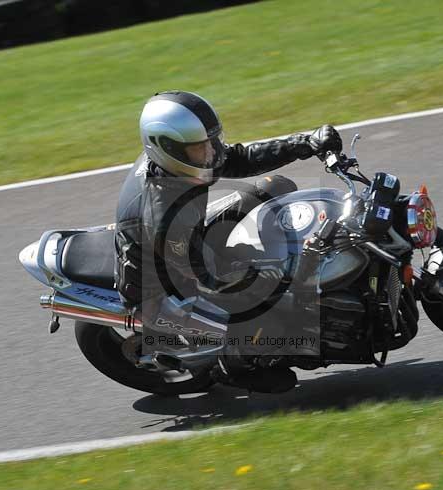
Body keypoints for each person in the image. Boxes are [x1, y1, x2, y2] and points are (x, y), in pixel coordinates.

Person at [114, 90, 341, 387]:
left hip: (190, 238)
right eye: (201, 148)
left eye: (212, 142)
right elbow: (201, 273)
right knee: (264, 311)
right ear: (168, 149)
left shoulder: (182, 161)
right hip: (161, 282)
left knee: (275, 187)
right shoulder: (163, 215)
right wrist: (266, 273)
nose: (211, 154)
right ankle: (230, 366)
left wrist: (305, 143)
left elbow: (240, 158)